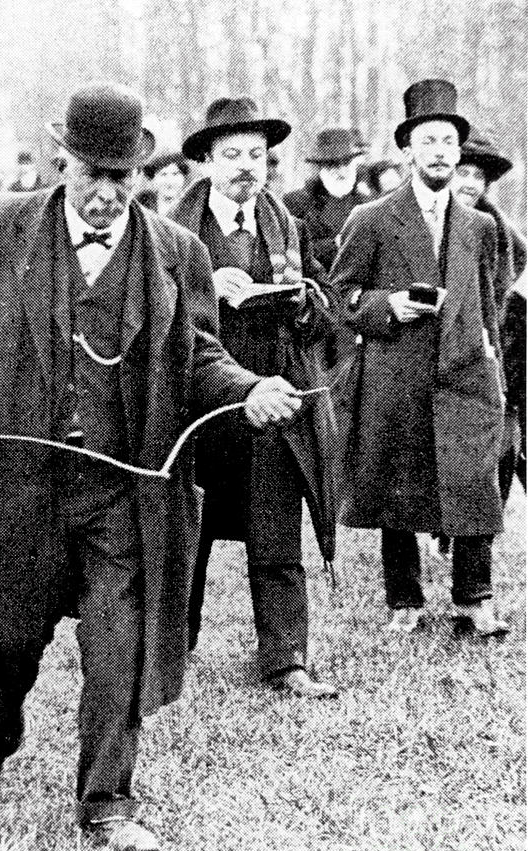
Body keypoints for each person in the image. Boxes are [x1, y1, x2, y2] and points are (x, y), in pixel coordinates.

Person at [0, 82, 303, 851]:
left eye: (123, 178)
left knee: (120, 644)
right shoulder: (2, 226)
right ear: (65, 164)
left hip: (123, 488)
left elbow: (200, 357)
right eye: (92, 174)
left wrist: (248, 389)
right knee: (8, 641)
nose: (106, 193)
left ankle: (108, 801)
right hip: (19, 479)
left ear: (142, 176)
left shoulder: (175, 252)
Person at [172, 96, 340, 699]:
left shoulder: (286, 225)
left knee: (276, 533)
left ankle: (286, 660)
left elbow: (326, 313)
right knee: (184, 533)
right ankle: (171, 649)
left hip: (271, 405)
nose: (247, 166)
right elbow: (145, 316)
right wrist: (206, 286)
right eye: (232, 155)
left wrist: (300, 299)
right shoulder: (172, 231)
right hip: (198, 408)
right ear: (207, 163)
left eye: (257, 155)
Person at [330, 78, 509, 636]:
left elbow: (491, 298)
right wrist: (390, 305)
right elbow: (341, 297)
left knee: (474, 479)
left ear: (460, 153)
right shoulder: (372, 219)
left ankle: (474, 601)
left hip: (465, 375)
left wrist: (488, 360)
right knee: (397, 487)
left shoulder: (481, 227)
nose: (440, 153)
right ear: (408, 150)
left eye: (450, 143)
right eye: (428, 141)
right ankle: (403, 600)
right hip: (395, 375)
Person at [452, 127, 527, 504]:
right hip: (425, 354)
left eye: (477, 176)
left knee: (495, 452)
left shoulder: (501, 233)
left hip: (490, 354)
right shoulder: (409, 221)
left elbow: (510, 295)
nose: (469, 183)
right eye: (461, 172)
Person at [283, 126, 370, 270]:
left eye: (346, 163)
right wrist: (334, 244)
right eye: (333, 164)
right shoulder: (297, 203)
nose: (342, 172)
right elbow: (291, 253)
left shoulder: (367, 204)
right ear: (321, 167)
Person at [137, 148, 189, 215]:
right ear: (153, 179)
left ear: (183, 177)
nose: (170, 181)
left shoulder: (193, 204)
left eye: (175, 174)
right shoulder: (141, 203)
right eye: (163, 174)